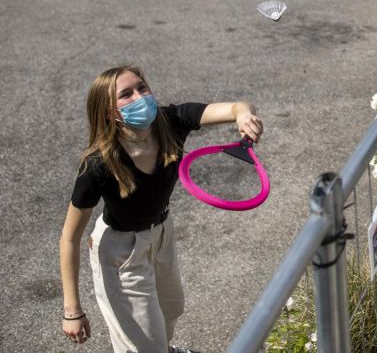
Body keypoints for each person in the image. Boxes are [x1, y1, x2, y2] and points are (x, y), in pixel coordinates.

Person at [59, 65, 264, 352]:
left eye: (142, 88)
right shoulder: (98, 163)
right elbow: (69, 237)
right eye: (126, 95)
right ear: (108, 113)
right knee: (144, 342)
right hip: (121, 252)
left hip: (161, 233)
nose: (140, 97)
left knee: (170, 311)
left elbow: (236, 107)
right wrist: (73, 311)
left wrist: (244, 115)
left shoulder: (171, 121)